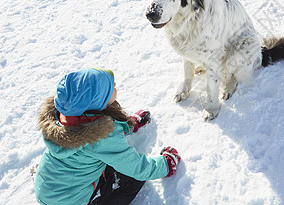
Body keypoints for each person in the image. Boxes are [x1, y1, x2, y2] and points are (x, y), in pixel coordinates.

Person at [34, 68, 181, 205]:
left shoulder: (66, 115)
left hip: (49, 188)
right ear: (99, 102)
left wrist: (127, 125)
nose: (115, 85)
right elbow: (137, 168)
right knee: (132, 178)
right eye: (110, 88)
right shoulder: (101, 138)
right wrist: (166, 165)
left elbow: (95, 124)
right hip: (70, 200)